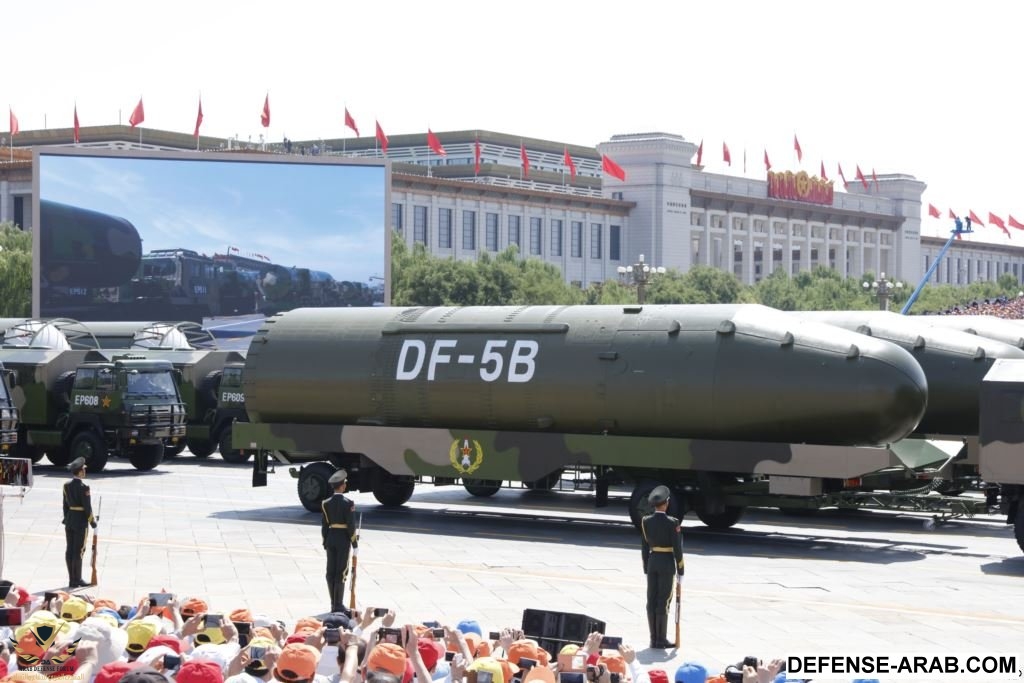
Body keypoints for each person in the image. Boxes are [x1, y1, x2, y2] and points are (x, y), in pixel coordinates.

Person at [639, 486, 683, 649]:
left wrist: (646, 567)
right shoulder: (673, 522)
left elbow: (644, 547)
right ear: (666, 503)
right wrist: (681, 569)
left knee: (651, 599)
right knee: (663, 600)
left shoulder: (645, 521)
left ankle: (654, 638)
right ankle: (661, 639)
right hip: (666, 563)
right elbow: (677, 548)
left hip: (652, 562)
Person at [321, 470, 357, 612]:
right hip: (343, 539)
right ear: (342, 486)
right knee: (341, 572)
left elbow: (324, 525)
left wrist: (325, 542)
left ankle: (332, 603)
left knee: (330, 571)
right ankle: (339, 604)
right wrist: (355, 543)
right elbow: (351, 525)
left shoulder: (326, 503)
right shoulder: (348, 503)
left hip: (330, 538)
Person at [62, 457, 97, 588]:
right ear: (80, 472)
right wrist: (93, 521)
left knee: (70, 550)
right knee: (79, 551)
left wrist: (67, 518)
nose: (85, 471)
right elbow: (87, 508)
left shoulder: (66, 486)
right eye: (84, 470)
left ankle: (72, 579)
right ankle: (77, 579)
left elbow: (65, 505)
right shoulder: (84, 487)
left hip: (70, 520)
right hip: (81, 521)